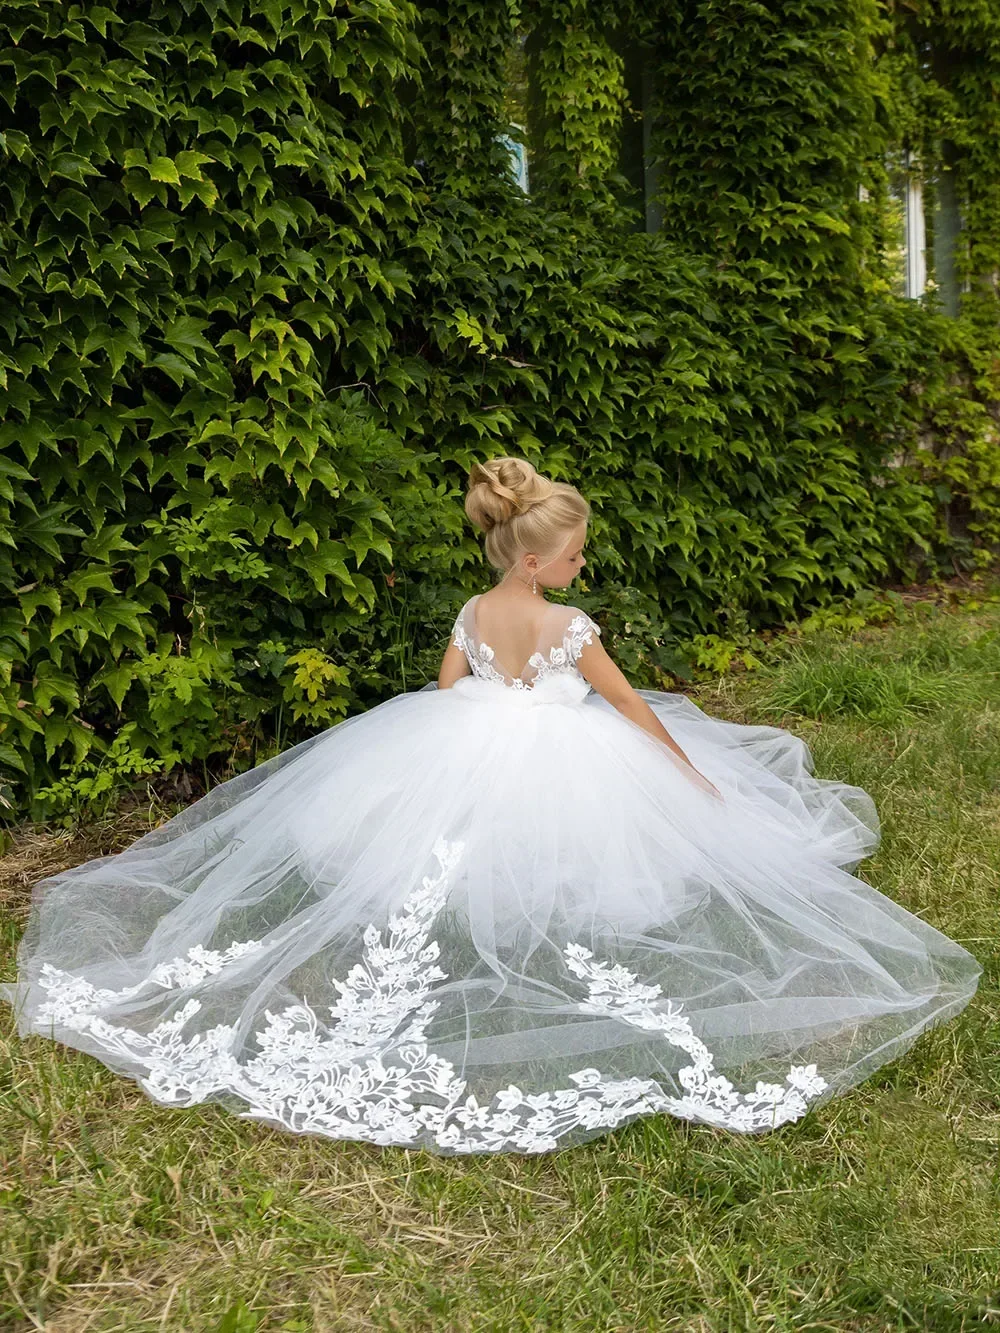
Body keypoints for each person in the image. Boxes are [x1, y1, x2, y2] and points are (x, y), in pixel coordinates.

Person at [2, 457, 981, 1155]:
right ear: (534, 562)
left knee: (447, 853)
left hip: (466, 735)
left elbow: (441, 692)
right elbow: (626, 700)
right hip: (562, 750)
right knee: (567, 861)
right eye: (574, 556)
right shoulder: (567, 625)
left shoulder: (476, 614)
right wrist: (686, 770)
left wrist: (459, 738)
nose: (581, 567)